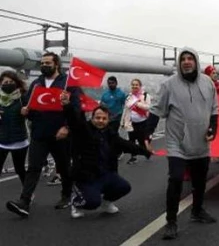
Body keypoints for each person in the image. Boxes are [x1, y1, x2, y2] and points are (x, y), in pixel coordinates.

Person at [146, 47, 219, 240]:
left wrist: (213, 127)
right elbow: (156, 110)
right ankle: (171, 222)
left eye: (190, 58)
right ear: (179, 63)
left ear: (196, 61)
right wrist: (147, 135)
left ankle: (197, 211)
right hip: (176, 142)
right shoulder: (169, 84)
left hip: (201, 142)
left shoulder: (208, 82)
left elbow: (214, 108)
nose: (186, 62)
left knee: (200, 181)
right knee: (176, 179)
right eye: (183, 59)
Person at [6, 52, 80, 218]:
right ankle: (24, 202)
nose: (44, 65)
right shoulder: (37, 83)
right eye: (42, 63)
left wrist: (67, 127)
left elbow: (76, 109)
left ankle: (67, 195)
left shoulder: (68, 84)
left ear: (56, 64)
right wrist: (26, 111)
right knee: (33, 167)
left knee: (64, 167)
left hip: (60, 134)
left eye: (47, 63)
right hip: (39, 133)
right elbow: (29, 104)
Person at [60, 90, 152, 218]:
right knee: (92, 202)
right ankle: (76, 202)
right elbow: (74, 121)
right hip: (86, 177)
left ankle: (106, 202)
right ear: (92, 118)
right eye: (97, 118)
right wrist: (66, 105)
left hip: (105, 174)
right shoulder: (83, 131)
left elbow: (125, 144)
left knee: (124, 187)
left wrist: (145, 151)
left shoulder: (110, 133)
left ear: (108, 120)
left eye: (104, 118)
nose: (100, 121)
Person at [0, 70, 29, 185]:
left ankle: (28, 193)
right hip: (2, 141)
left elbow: (34, 115)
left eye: (11, 81)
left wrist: (27, 113)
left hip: (19, 141)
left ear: (16, 83)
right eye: (5, 82)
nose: (8, 84)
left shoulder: (23, 98)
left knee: (19, 169)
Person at [120, 79, 152, 164]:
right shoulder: (129, 97)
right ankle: (133, 157)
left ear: (140, 86)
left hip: (143, 122)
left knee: (142, 141)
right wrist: (123, 122)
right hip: (131, 123)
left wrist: (136, 103)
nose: (134, 86)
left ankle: (146, 152)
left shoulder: (145, 95)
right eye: (133, 85)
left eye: (136, 85)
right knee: (131, 141)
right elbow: (125, 110)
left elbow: (148, 107)